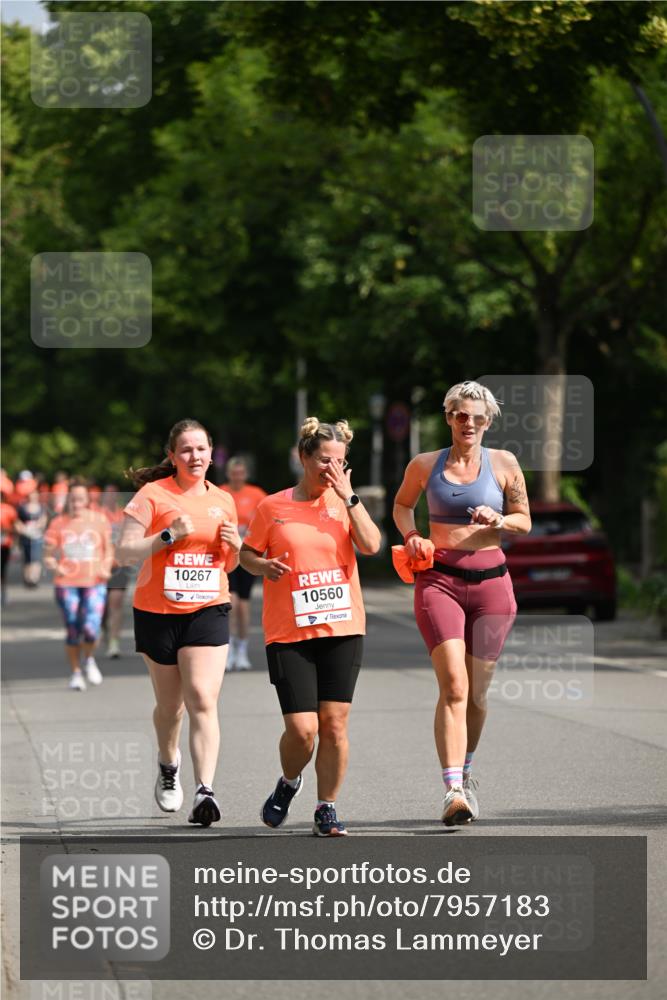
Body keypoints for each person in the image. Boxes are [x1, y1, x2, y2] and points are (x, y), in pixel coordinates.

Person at [393, 381, 531, 825]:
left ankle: (467, 768)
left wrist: (501, 518)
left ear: (488, 421)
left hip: (493, 587)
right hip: (439, 583)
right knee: (453, 685)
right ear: (448, 417)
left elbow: (525, 522)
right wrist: (413, 535)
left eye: (475, 416)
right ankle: (453, 789)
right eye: (458, 415)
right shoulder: (424, 464)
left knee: (476, 692)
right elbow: (401, 506)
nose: (467, 423)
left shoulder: (504, 464)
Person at [241, 417, 381, 837]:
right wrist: (263, 565)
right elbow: (246, 555)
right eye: (323, 460)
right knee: (303, 731)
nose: (331, 469)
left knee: (335, 725)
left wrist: (350, 498)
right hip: (290, 631)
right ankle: (289, 782)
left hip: (342, 627)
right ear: (303, 458)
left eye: (339, 461)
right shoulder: (273, 507)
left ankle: (327, 806)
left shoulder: (345, 502)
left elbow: (372, 546)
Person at [116, 419, 241, 827]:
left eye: (201, 449)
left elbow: (230, 563)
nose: (195, 457)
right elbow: (125, 553)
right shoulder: (152, 495)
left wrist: (236, 547)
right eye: (186, 450)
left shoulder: (223, 499)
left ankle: (205, 789)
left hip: (209, 607)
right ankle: (169, 764)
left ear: (211, 452)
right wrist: (168, 535)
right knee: (171, 707)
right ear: (172, 456)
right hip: (158, 612)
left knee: (202, 697)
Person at [43, 478, 113, 690]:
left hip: (94, 581)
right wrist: (56, 567)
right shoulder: (58, 523)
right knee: (73, 628)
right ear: (67, 500)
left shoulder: (99, 520)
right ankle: (75, 673)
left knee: (91, 629)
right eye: (72, 499)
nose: (76, 503)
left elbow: (109, 549)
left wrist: (106, 567)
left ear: (87, 499)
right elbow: (47, 555)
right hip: (67, 583)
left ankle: (89, 659)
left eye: (80, 498)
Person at [221, 457, 267, 670]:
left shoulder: (256, 494)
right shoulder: (220, 492)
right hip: (227, 553)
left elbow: (266, 520)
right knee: (233, 602)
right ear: (228, 474)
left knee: (244, 605)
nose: (237, 476)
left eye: (240, 473)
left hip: (247, 553)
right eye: (233, 473)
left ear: (245, 474)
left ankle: (242, 650)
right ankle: (228, 650)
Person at [15, 488, 47, 587]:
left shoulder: (41, 507)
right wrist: (23, 529)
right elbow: (17, 521)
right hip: (25, 535)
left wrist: (36, 527)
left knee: (36, 557)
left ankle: (34, 578)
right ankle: (27, 578)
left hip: (37, 536)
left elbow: (43, 520)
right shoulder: (22, 507)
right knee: (27, 558)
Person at [0, 490, 17, 607]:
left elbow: (14, 526)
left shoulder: (8, 509)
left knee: (2, 570)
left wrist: (6, 530)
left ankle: (3, 593)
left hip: (4, 544)